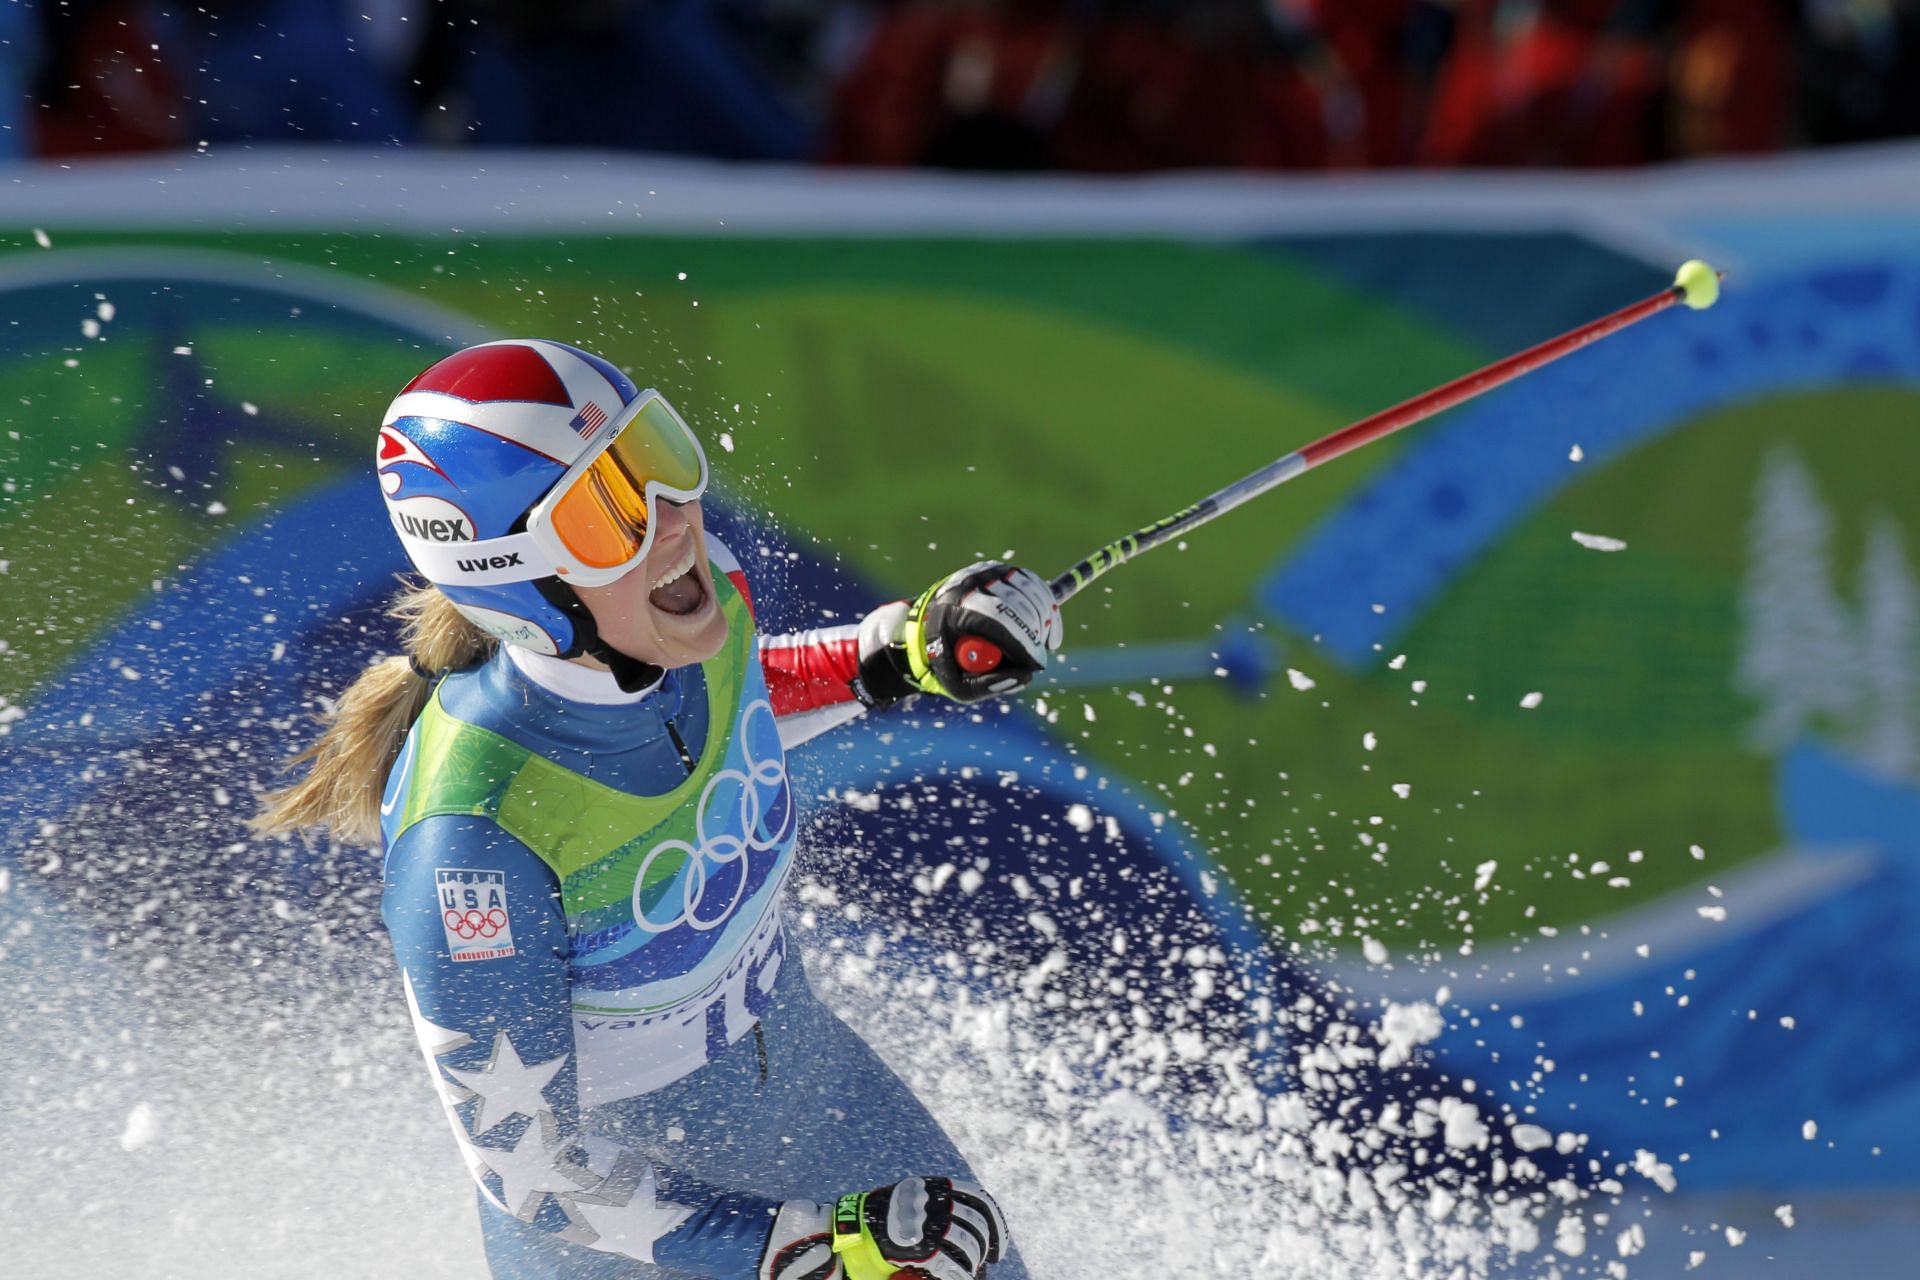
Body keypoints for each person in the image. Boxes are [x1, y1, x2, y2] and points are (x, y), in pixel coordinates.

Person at [253, 339, 1058, 1279]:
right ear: (518, 580)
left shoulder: (686, 594)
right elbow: (528, 1168)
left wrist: (898, 651)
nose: (674, 521)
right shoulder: (471, 842)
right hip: (654, 1242)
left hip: (829, 1109)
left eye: (657, 459)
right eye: (609, 510)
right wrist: (799, 1243)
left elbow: (722, 704)